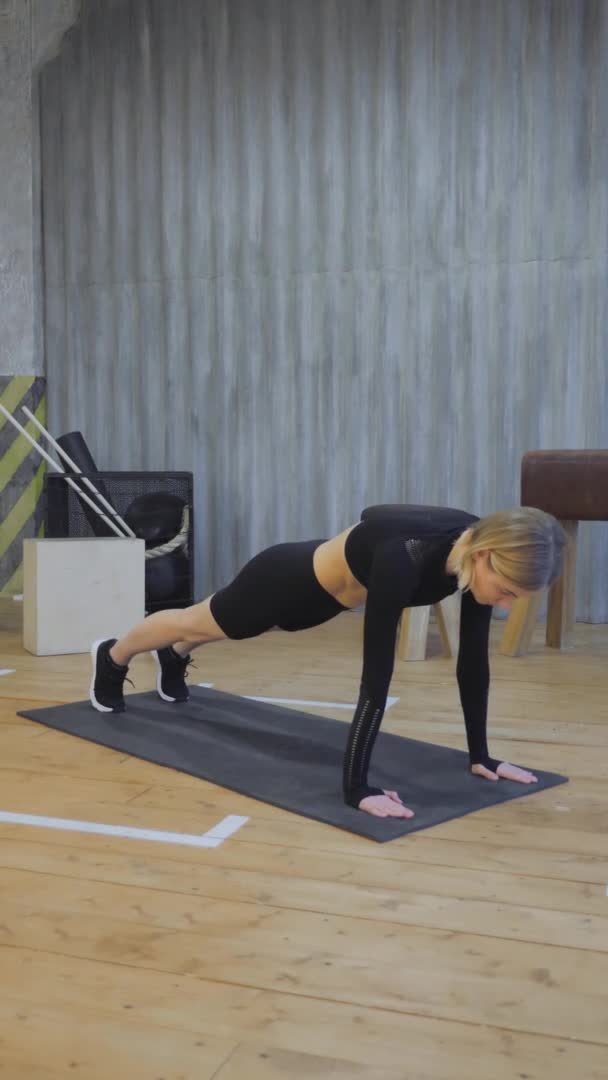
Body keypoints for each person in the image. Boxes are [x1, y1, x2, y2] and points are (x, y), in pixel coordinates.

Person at [90, 504, 566, 819]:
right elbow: (375, 678)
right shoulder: (405, 559)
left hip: (324, 602)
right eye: (506, 593)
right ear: (484, 556)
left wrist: (481, 757)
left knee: (208, 633)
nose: (504, 605)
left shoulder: (480, 555)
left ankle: (173, 658)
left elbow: (473, 666)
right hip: (282, 581)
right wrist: (358, 789)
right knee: (200, 622)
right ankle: (114, 655)